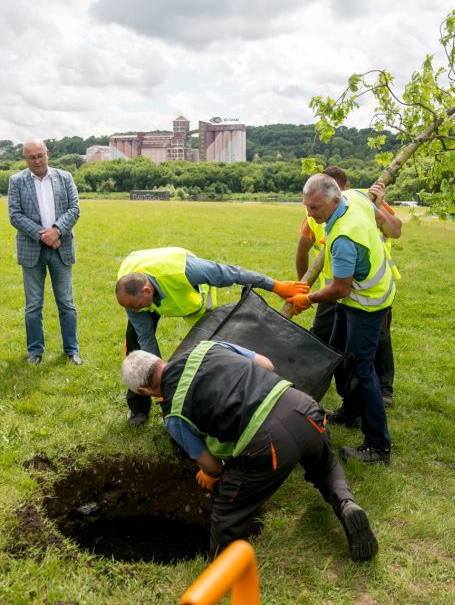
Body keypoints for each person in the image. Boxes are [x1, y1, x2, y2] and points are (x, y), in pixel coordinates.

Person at [121, 340, 379, 561]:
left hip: (269, 444)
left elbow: (211, 466)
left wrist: (211, 475)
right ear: (159, 360)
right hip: (303, 408)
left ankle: (222, 571)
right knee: (325, 467)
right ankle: (346, 505)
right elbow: (267, 364)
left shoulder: (174, 416)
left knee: (226, 513)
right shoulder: (207, 347)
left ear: (144, 391)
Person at [116, 247, 308, 426]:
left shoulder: (188, 271)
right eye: (129, 308)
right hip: (150, 292)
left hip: (189, 300)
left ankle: (214, 398)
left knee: (210, 348)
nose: (133, 311)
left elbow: (235, 274)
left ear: (147, 291)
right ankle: (139, 409)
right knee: (137, 350)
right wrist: (161, 388)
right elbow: (147, 341)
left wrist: (277, 287)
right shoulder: (131, 298)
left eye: (135, 306)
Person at [287, 174, 401, 465]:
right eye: (306, 207)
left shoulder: (344, 240)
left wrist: (306, 298)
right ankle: (349, 411)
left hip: (367, 302)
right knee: (336, 350)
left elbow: (340, 288)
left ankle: (378, 446)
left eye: (315, 208)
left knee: (362, 370)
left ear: (335, 199)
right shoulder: (358, 197)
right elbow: (391, 227)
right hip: (355, 299)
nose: (310, 214)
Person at [7, 139, 82, 365]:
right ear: (25, 158)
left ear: (47, 153)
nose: (37, 161)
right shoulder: (17, 181)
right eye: (31, 157)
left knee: (66, 303)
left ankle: (72, 350)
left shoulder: (65, 177)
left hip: (62, 249)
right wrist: (44, 235)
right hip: (32, 250)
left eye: (40, 155)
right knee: (33, 305)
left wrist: (57, 230)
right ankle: (35, 351)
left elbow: (75, 209)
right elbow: (15, 215)